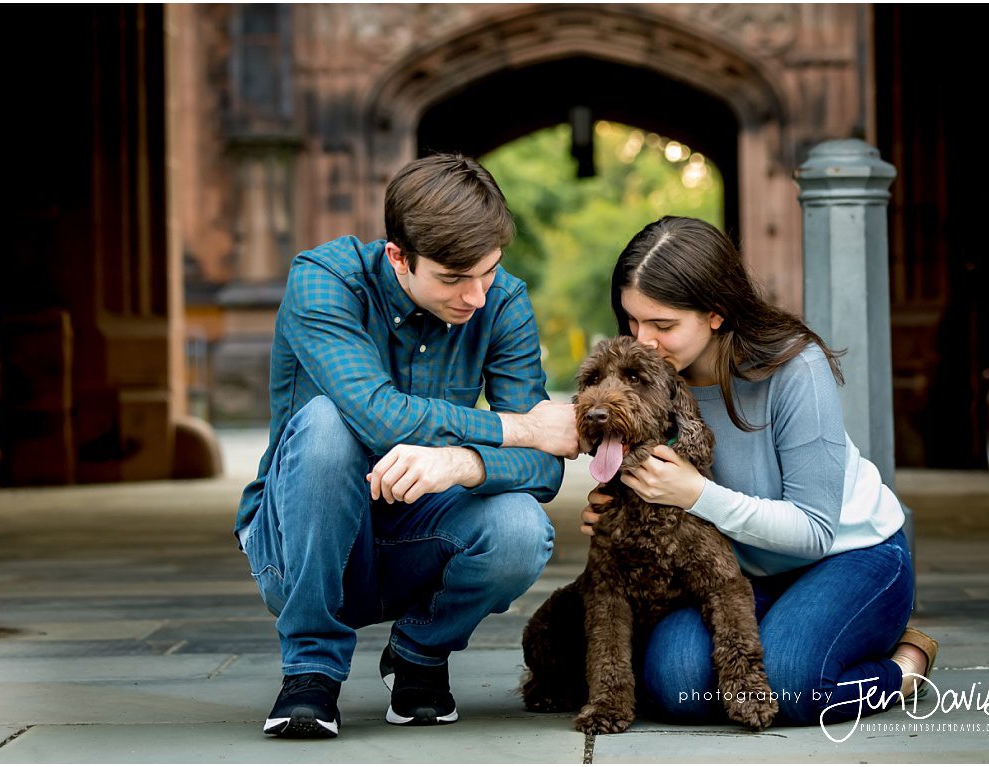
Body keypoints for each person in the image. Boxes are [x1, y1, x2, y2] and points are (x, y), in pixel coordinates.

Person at [236, 153, 581, 738]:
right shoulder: (325, 279)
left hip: (420, 539)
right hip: (301, 546)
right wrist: (515, 428)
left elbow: (545, 471)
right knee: (327, 425)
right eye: (452, 278)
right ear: (398, 255)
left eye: (488, 272)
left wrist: (462, 461)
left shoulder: (503, 302)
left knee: (522, 527)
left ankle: (420, 655)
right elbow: (377, 414)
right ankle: (311, 671)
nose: (475, 296)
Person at [580, 215, 936, 726]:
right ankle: (791, 631)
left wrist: (695, 493)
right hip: (740, 573)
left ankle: (904, 665)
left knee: (792, 685)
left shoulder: (795, 368)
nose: (645, 341)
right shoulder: (648, 384)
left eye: (663, 325)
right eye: (632, 322)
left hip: (850, 556)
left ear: (716, 314)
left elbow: (814, 531)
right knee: (675, 682)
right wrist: (615, 507)